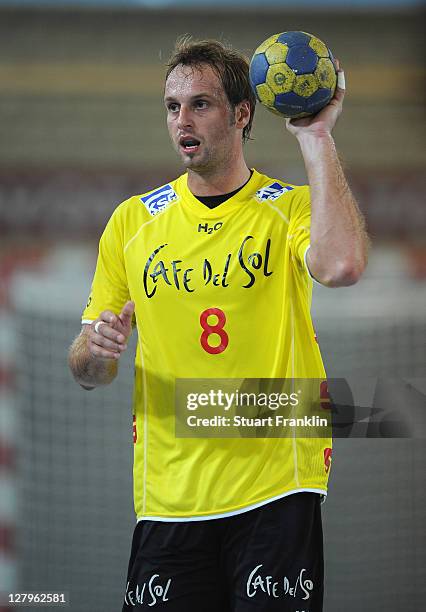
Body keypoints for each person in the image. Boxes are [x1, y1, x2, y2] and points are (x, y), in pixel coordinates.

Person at [68, 37, 368, 612]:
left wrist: (316, 135)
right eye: (172, 106)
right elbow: (87, 370)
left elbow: (342, 265)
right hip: (170, 496)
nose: (182, 118)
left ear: (242, 113)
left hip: (276, 485)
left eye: (200, 103)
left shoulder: (290, 208)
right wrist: (97, 348)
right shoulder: (131, 222)